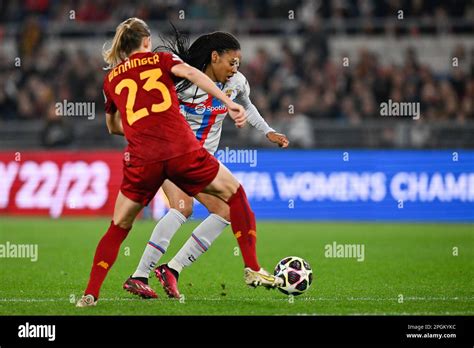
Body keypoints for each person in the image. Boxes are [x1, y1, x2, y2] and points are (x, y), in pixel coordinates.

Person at [76, 18, 282, 307]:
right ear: (147, 41)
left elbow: (113, 126)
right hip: (181, 152)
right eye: (231, 61)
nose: (235, 68)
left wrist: (266, 129)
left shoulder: (111, 79)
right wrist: (225, 101)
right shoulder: (168, 66)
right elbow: (191, 75)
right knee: (200, 204)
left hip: (146, 156)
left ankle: (151, 274)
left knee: (217, 211)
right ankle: (143, 273)